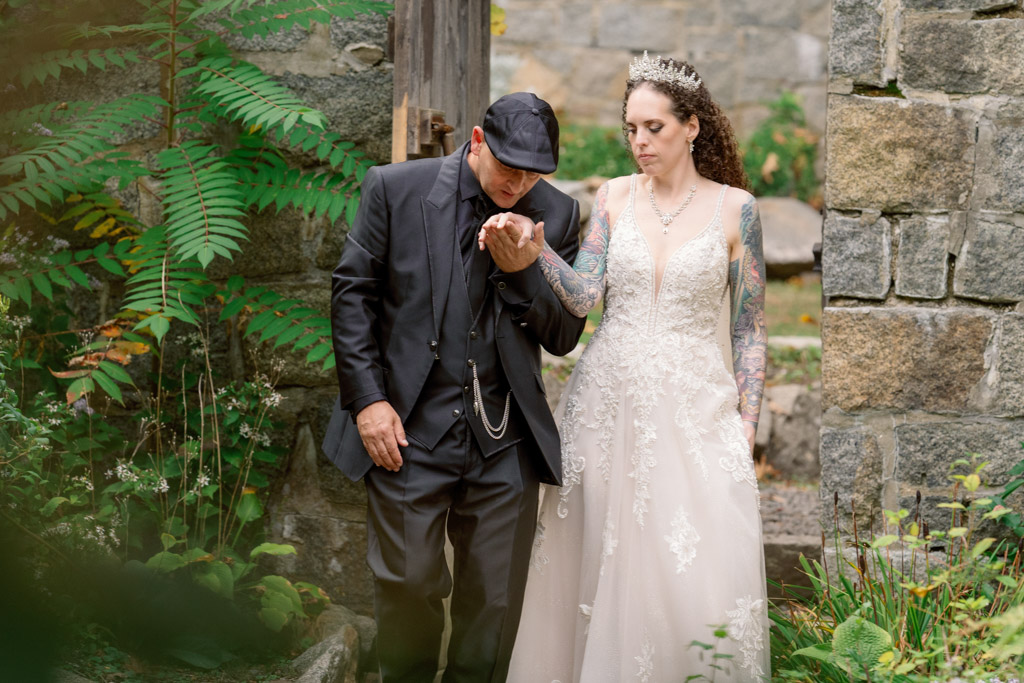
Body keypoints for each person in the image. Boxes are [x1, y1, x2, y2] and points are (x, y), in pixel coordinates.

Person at [485, 53, 770, 681]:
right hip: (607, 407)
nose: (639, 142)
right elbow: (585, 295)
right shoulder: (612, 197)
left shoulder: (736, 210)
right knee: (598, 562)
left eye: (654, 128)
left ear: (692, 126)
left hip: (697, 412)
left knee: (690, 569)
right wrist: (535, 252)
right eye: (631, 129)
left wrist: (748, 424)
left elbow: (749, 329)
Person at [322, 92, 587, 682]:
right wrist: (367, 401)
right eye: (507, 167)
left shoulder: (558, 216)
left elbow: (564, 334)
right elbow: (353, 294)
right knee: (409, 584)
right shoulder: (396, 189)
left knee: (492, 606)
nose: (518, 184)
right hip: (409, 428)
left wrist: (523, 271)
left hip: (506, 438)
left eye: (533, 173)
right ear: (475, 140)